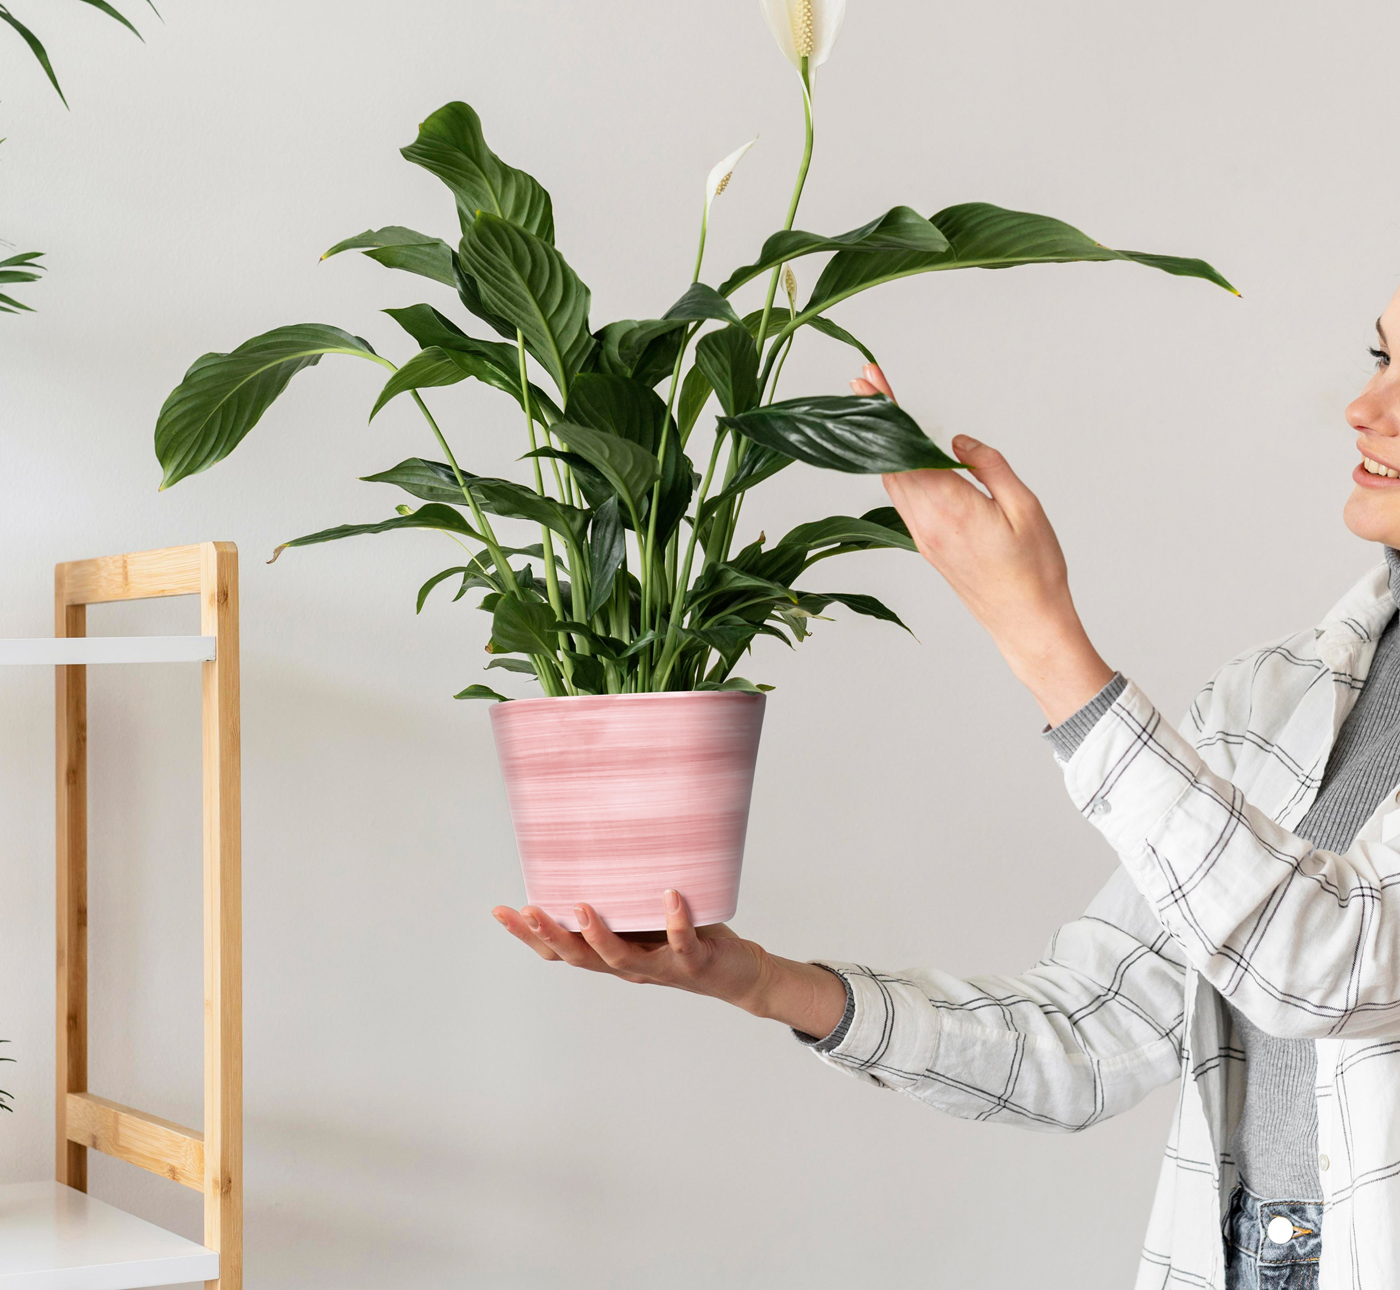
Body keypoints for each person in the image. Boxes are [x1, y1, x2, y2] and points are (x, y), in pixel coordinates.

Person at [494, 294, 1400, 1290]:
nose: (1365, 406)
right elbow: (1090, 1035)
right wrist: (751, 979)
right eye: (1379, 356)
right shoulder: (1284, 694)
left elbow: (1325, 967)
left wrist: (1039, 634)